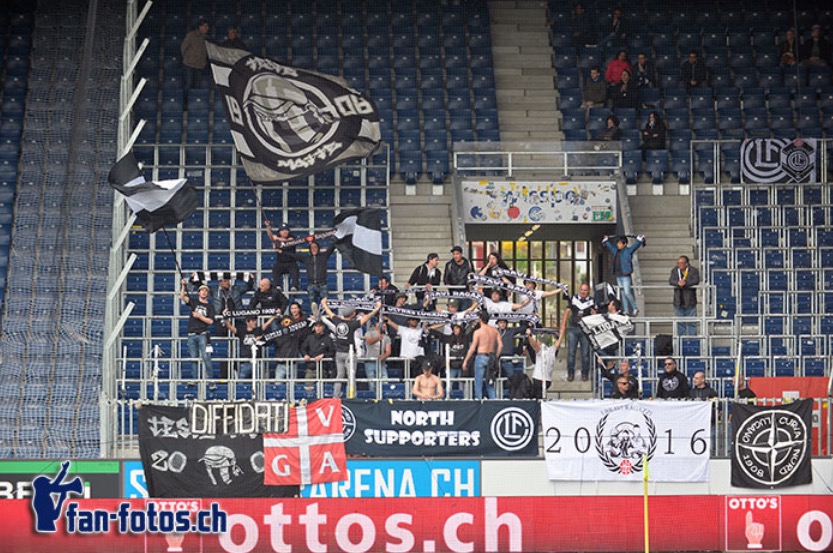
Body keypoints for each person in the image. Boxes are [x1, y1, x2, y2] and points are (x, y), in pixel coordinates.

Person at [190, 271, 254, 378]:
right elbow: (199, 285)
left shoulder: (236, 289)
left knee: (237, 346)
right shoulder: (214, 289)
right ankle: (225, 373)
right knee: (224, 347)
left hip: (237, 320)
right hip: (220, 321)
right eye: (224, 281)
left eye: (228, 280)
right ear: (220, 282)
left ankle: (236, 370)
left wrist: (250, 278)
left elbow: (249, 286)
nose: (227, 283)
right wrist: (193, 278)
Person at [320, 298, 382, 398]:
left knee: (339, 376)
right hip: (349, 353)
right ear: (353, 314)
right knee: (351, 376)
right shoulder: (352, 324)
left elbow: (330, 313)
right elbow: (367, 318)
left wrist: (324, 304)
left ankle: (335, 396)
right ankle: (351, 396)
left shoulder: (338, 321)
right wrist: (376, 309)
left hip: (338, 353)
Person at [557, 283, 596, 381]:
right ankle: (570, 373)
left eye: (585, 290)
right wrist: (563, 325)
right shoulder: (574, 299)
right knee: (571, 353)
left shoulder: (592, 301)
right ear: (579, 290)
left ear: (588, 291)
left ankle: (585, 374)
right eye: (582, 290)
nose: (583, 292)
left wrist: (594, 313)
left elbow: (596, 315)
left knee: (585, 353)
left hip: (585, 330)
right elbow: (567, 311)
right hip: (573, 329)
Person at [179, 278, 216, 379]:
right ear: (198, 292)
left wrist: (200, 316)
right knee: (193, 359)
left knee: (206, 357)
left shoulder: (210, 306)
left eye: (206, 291)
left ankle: (210, 380)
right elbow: (182, 297)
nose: (204, 292)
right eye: (202, 290)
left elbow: (211, 321)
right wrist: (183, 286)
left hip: (203, 334)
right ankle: (194, 379)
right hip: (191, 334)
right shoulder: (194, 302)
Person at [602, 234, 645, 316]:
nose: (618, 245)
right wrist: (606, 241)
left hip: (625, 275)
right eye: (618, 243)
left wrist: (639, 240)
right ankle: (626, 310)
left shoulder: (628, 251)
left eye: (620, 243)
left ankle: (635, 308)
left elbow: (635, 246)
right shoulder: (616, 251)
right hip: (618, 275)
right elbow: (610, 247)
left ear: (625, 244)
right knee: (622, 293)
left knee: (627, 292)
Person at [462, 310, 502, 399]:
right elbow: (500, 345)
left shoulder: (478, 332)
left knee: (478, 382)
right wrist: (496, 357)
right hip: (491, 356)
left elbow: (472, 348)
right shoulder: (494, 330)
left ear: (480, 319)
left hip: (481, 356)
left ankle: (479, 402)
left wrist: (466, 361)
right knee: (490, 381)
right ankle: (493, 400)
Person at [224, 313, 278, 379]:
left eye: (255, 320)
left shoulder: (258, 330)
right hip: (245, 362)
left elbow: (267, 324)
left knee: (259, 382)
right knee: (241, 384)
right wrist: (225, 317)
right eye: (253, 321)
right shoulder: (241, 331)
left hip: (257, 361)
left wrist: (273, 316)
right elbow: (230, 327)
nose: (255, 322)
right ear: (247, 322)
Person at [296, 240, 335, 312]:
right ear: (310, 249)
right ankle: (316, 317)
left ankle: (325, 317)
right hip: (311, 285)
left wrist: (337, 237)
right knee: (313, 305)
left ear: (318, 248)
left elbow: (332, 247)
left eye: (315, 247)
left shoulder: (323, 256)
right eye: (312, 248)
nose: (313, 249)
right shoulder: (306, 258)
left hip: (322, 284)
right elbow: (293, 255)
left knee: (325, 305)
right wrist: (282, 249)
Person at [264, 220, 301, 292]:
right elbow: (270, 236)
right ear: (279, 232)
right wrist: (268, 226)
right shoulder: (277, 239)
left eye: (286, 230)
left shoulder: (292, 237)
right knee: (275, 269)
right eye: (282, 230)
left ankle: (294, 286)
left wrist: (277, 239)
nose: (285, 232)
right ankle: (277, 286)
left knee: (295, 270)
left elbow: (288, 241)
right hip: (280, 262)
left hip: (291, 262)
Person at [180, 19, 209, 108]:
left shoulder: (206, 38)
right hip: (189, 64)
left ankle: (194, 106)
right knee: (188, 84)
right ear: (200, 27)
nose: (206, 28)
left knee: (197, 87)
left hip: (199, 66)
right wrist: (187, 58)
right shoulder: (191, 35)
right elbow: (183, 47)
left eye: (207, 27)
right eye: (205, 26)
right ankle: (185, 104)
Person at [670, 255, 700, 336]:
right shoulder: (675, 270)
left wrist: (685, 283)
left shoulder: (693, 270)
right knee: (680, 323)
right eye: (678, 263)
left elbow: (696, 280)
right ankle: (681, 341)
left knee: (692, 323)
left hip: (690, 301)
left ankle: (691, 341)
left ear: (686, 263)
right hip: (678, 301)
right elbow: (671, 280)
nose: (679, 265)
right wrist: (678, 283)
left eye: (681, 263)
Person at [527, 329, 556, 399]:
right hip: (548, 379)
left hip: (539, 378)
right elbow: (559, 340)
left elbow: (534, 345)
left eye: (539, 340)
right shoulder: (553, 349)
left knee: (538, 397)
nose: (537, 342)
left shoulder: (541, 350)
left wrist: (528, 336)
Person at [364, 320, 391, 388]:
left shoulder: (387, 337)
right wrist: (377, 338)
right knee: (372, 384)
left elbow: (388, 351)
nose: (384, 325)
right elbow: (369, 341)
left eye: (385, 324)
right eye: (382, 323)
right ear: (376, 324)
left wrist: (384, 355)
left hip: (381, 363)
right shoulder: (369, 333)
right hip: (370, 362)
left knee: (385, 382)